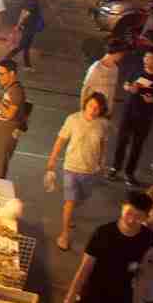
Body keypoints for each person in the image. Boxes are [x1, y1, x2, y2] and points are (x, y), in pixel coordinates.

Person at [47, 92, 111, 251]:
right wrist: (52, 159)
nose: (92, 110)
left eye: (97, 108)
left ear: (101, 110)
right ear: (85, 104)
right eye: (90, 106)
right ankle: (64, 234)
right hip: (71, 167)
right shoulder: (73, 119)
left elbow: (103, 144)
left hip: (90, 170)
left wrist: (102, 162)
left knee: (81, 198)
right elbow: (61, 139)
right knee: (70, 201)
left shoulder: (103, 124)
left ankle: (71, 213)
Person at [112, 49, 153, 187]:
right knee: (122, 140)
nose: (146, 60)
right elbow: (125, 83)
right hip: (129, 111)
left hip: (145, 115)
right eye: (145, 57)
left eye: (150, 58)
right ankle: (115, 168)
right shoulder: (137, 70)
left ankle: (129, 173)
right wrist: (129, 88)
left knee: (137, 145)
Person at [0, 59, 26, 179]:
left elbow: (9, 115)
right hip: (0, 131)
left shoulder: (16, 91)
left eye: (1, 74)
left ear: (12, 73)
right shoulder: (9, 88)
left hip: (6, 134)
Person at [7, 0, 48, 68]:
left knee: (26, 46)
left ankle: (28, 66)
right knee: (22, 46)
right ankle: (5, 60)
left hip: (30, 27)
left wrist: (19, 24)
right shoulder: (34, 1)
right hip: (29, 27)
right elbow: (25, 13)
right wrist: (18, 25)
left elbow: (23, 12)